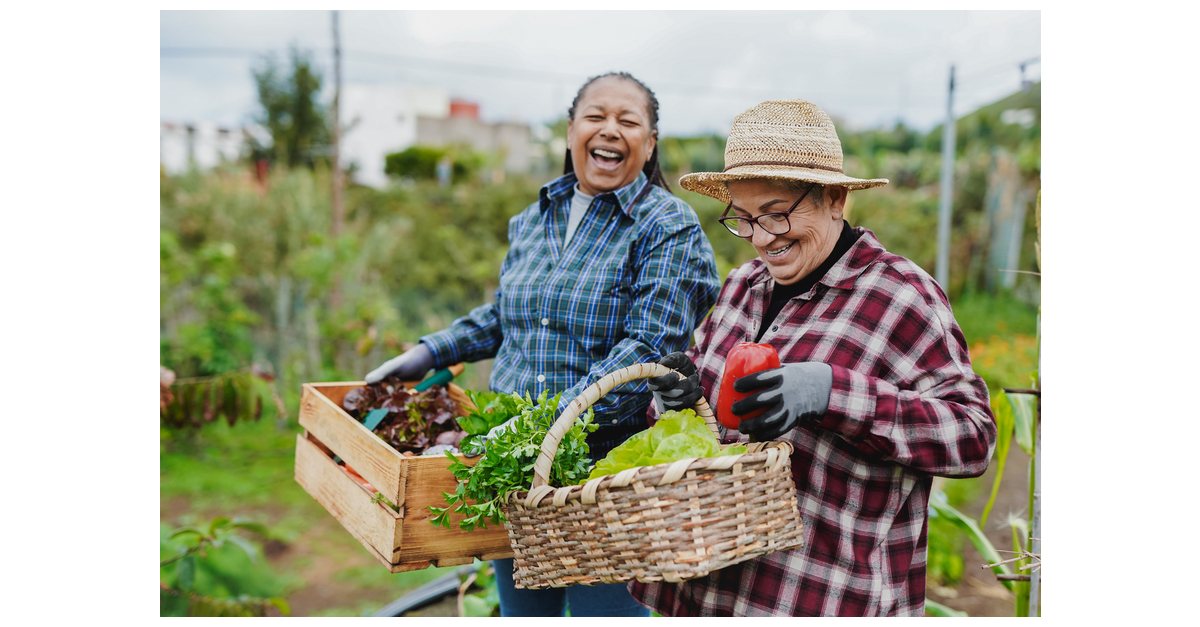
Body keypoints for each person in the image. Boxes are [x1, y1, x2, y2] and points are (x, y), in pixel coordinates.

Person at [364, 72, 721, 617]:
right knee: (523, 611)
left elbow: (648, 346)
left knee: (604, 613)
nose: (610, 130)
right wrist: (433, 351)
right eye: (595, 116)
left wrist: (545, 427)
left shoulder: (667, 225)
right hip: (511, 463)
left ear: (650, 145)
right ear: (571, 129)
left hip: (600, 470)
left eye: (629, 121)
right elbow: (510, 315)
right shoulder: (533, 218)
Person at [634, 99, 997, 617]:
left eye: (778, 213)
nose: (761, 238)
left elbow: (972, 437)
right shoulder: (741, 287)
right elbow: (713, 433)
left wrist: (832, 391)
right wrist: (681, 401)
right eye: (743, 218)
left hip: (814, 598)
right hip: (702, 596)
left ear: (834, 199)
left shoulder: (899, 295)